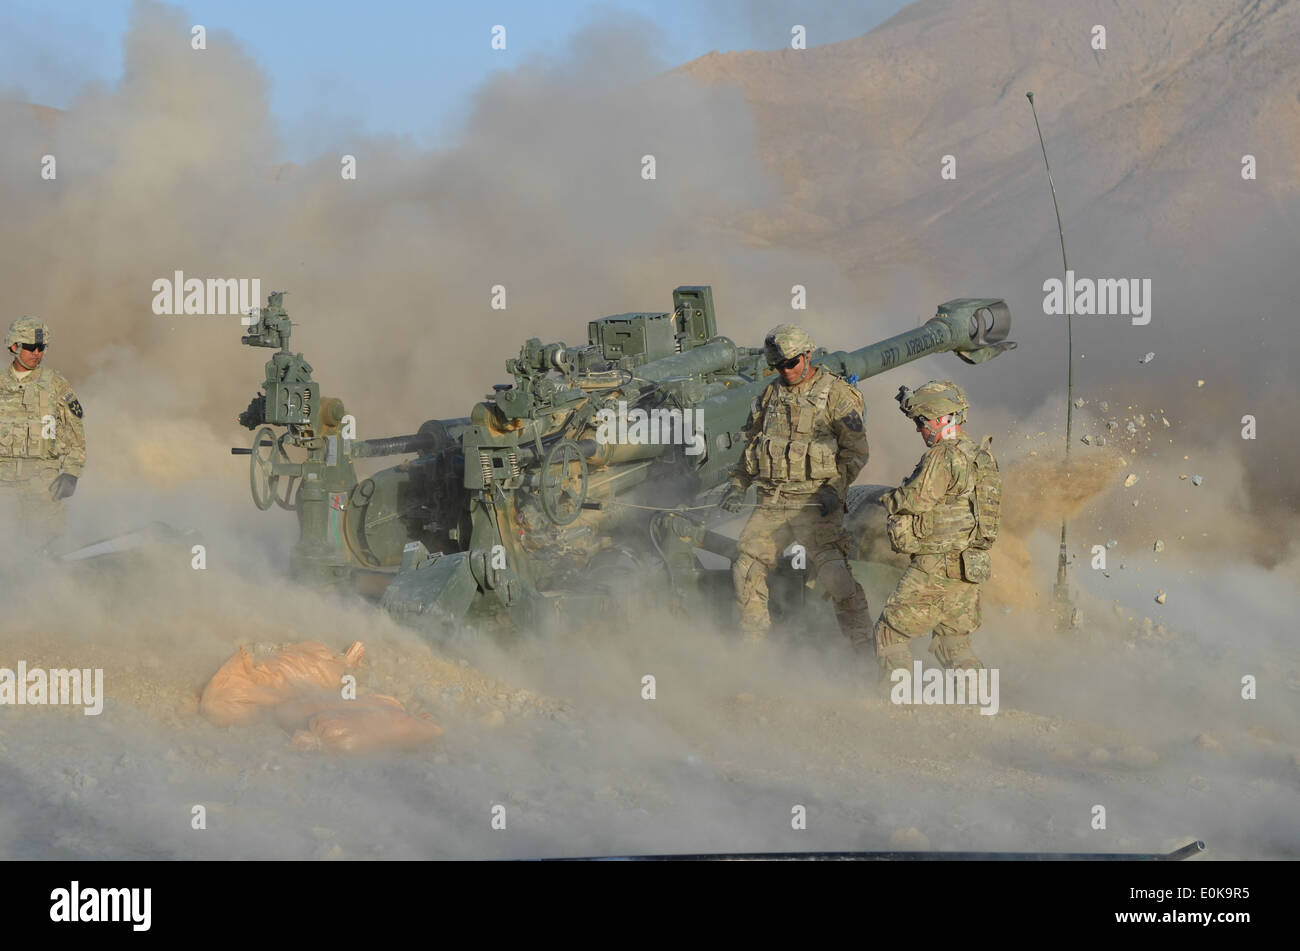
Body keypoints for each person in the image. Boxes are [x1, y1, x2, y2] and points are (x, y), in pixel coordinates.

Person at [719, 324, 872, 647]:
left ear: (807, 356)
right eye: (778, 366)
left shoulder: (836, 394)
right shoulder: (770, 395)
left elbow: (856, 452)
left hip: (816, 504)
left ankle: (863, 649)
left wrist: (835, 489)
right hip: (773, 503)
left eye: (791, 363)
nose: (785, 371)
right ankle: (754, 649)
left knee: (835, 577)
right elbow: (753, 447)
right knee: (745, 565)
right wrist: (737, 484)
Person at [873, 380, 1001, 678]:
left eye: (922, 421)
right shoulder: (981, 457)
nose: (920, 429)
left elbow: (914, 500)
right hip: (967, 566)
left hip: (934, 564)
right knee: (953, 643)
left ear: (945, 419)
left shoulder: (943, 455)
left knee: (890, 633)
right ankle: (976, 704)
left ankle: (897, 705)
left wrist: (884, 499)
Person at [0, 316, 86, 547]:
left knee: (48, 546)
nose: (37, 352)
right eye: (30, 347)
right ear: (14, 346)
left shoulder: (55, 384)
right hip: (4, 483)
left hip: (43, 484)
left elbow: (75, 429)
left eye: (42, 347)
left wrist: (72, 471)